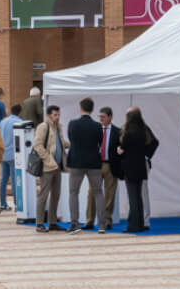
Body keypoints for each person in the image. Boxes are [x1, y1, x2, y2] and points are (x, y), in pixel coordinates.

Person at [112, 107, 159, 233]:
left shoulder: (127, 132)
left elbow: (122, 149)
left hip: (130, 166)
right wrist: (145, 155)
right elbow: (154, 142)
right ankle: (142, 221)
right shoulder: (143, 130)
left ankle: (134, 223)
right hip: (141, 166)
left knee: (133, 196)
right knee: (140, 195)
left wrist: (120, 150)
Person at [65, 97, 106, 232]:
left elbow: (71, 139)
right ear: (92, 109)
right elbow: (100, 142)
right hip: (94, 162)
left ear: (80, 108)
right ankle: (101, 225)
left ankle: (74, 224)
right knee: (98, 192)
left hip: (76, 162)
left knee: (73, 192)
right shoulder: (97, 126)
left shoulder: (72, 124)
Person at [32, 104, 66, 232]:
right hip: (47, 167)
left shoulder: (58, 127)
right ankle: (39, 223)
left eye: (58, 115)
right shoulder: (43, 126)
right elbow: (37, 145)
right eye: (55, 115)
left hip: (57, 166)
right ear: (49, 115)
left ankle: (52, 222)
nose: (57, 117)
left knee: (56, 195)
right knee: (43, 195)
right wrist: (48, 159)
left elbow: (60, 143)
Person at [90, 106, 120, 228]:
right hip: (96, 165)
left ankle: (106, 220)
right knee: (91, 192)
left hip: (111, 165)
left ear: (110, 117)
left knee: (109, 195)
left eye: (103, 117)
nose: (101, 119)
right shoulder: (95, 130)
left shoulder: (118, 131)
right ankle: (89, 220)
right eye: (99, 117)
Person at [0, 104, 22, 213]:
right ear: (20, 112)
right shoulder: (19, 122)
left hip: (3, 153)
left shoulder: (2, 122)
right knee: (15, 179)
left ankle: (3, 204)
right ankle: (17, 204)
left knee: (3, 180)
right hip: (13, 154)